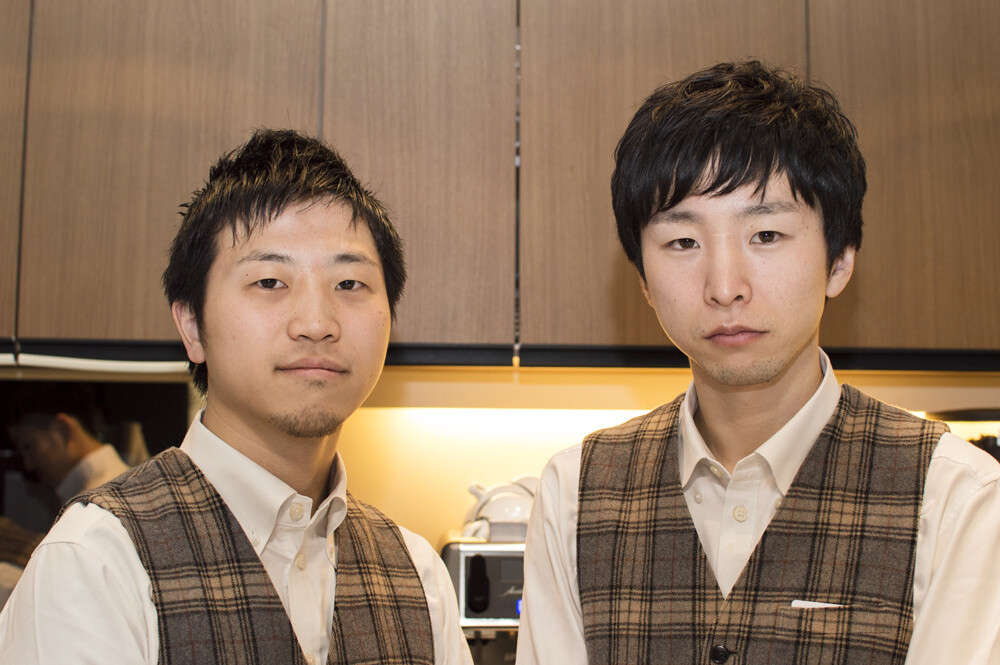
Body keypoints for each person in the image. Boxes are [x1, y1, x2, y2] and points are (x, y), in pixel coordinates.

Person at [516, 61, 1000, 665]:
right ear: (642, 279)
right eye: (683, 242)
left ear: (841, 260)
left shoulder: (958, 497)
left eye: (766, 235)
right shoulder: (574, 494)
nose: (724, 286)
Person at [0, 129, 472, 665]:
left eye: (349, 284)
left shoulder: (418, 573)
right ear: (193, 327)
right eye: (269, 282)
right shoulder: (98, 561)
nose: (316, 323)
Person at [5, 381, 129, 502]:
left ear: (63, 430)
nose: (28, 464)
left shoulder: (97, 502)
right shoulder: (115, 488)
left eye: (28, 446)